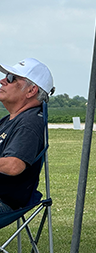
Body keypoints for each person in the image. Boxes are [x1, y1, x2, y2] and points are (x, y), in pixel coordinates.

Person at [0, 58, 54, 214]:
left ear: (31, 91)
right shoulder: (10, 120)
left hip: (5, 201)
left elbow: (13, 166)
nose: (3, 81)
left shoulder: (29, 123)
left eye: (11, 78)